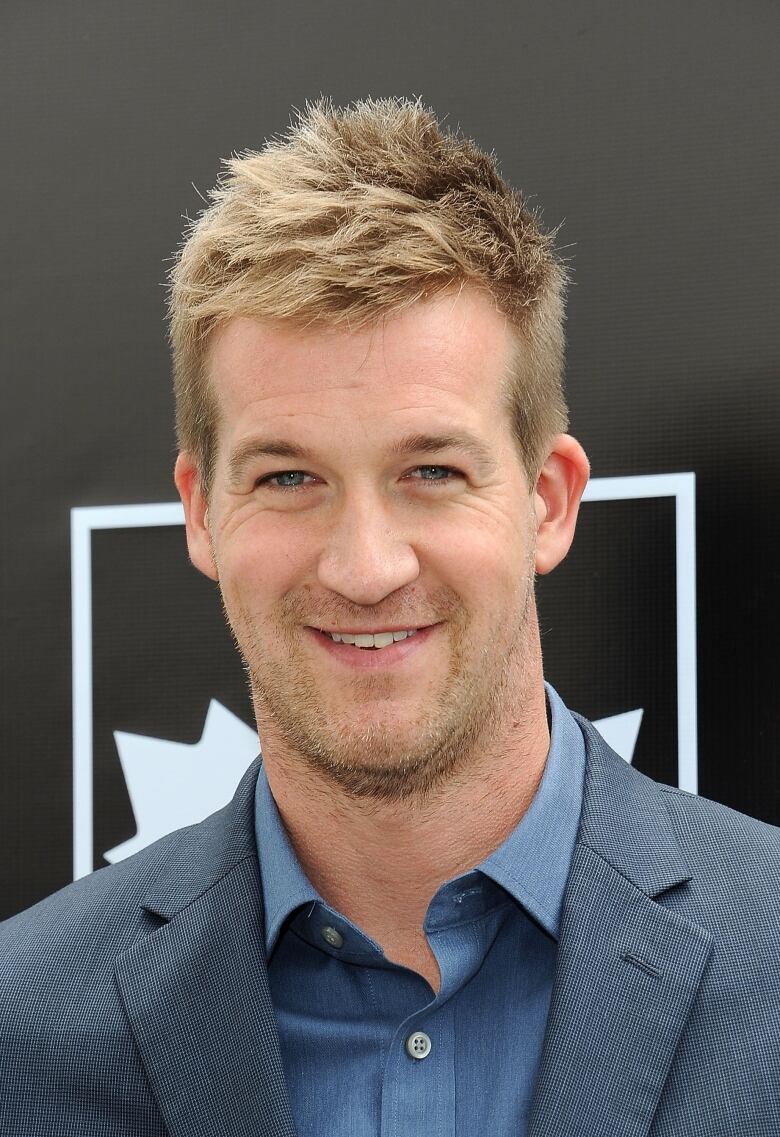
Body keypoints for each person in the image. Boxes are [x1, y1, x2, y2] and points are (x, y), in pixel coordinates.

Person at [1, 97, 778, 1136]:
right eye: (287, 479)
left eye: (431, 470)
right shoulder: (23, 1027)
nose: (365, 568)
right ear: (198, 511)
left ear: (547, 501)